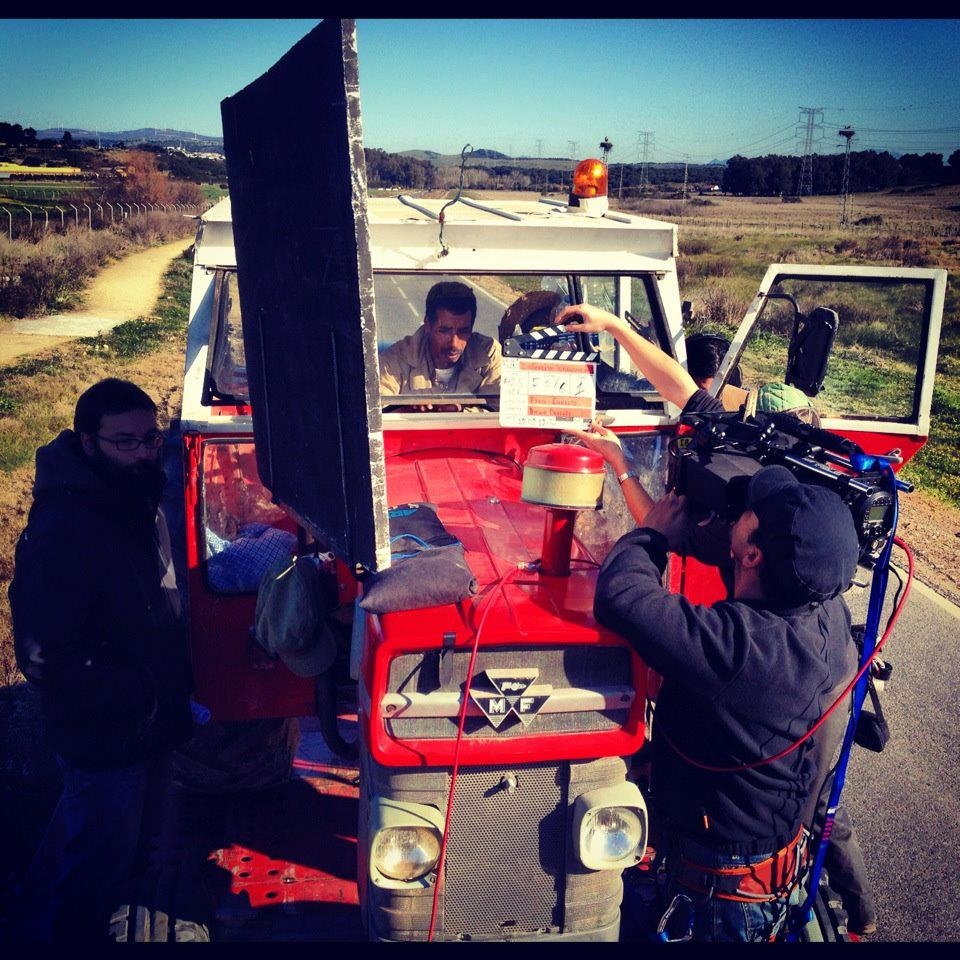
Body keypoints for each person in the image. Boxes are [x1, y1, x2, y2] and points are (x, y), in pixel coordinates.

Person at [559, 303, 873, 940]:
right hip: (763, 855)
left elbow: (622, 596)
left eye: (748, 515)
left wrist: (646, 536)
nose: (736, 513)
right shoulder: (821, 604)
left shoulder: (741, 652)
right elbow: (690, 400)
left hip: (724, 900)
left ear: (750, 554)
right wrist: (618, 331)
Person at [8, 378, 195, 941]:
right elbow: (42, 655)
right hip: (108, 734)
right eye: (125, 442)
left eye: (149, 438)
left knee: (79, 838)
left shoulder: (127, 498)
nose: (142, 452)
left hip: (140, 718)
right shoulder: (65, 528)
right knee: (94, 870)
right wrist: (134, 694)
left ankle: (28, 927)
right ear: (87, 443)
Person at [379, 280, 501, 411]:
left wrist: (459, 411)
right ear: (428, 324)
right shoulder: (394, 360)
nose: (454, 343)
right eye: (444, 331)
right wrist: (409, 410)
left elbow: (500, 411)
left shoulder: (489, 353)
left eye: (463, 332)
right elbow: (376, 414)